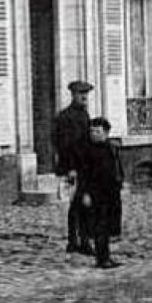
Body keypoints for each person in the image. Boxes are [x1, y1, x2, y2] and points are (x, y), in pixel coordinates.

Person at [74, 117, 124, 269]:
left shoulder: (111, 148)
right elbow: (83, 175)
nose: (94, 134)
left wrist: (120, 183)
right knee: (99, 227)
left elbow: (117, 169)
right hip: (95, 194)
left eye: (98, 131)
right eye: (92, 131)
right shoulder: (87, 152)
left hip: (111, 193)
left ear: (106, 133)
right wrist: (85, 194)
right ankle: (102, 258)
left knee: (108, 226)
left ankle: (107, 255)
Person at [53, 80, 93, 255]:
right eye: (80, 93)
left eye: (86, 94)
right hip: (74, 167)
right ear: (73, 95)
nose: (84, 97)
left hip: (85, 166)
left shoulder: (85, 115)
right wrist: (70, 168)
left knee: (83, 205)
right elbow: (63, 145)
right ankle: (74, 241)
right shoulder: (64, 117)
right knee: (76, 205)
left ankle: (81, 241)